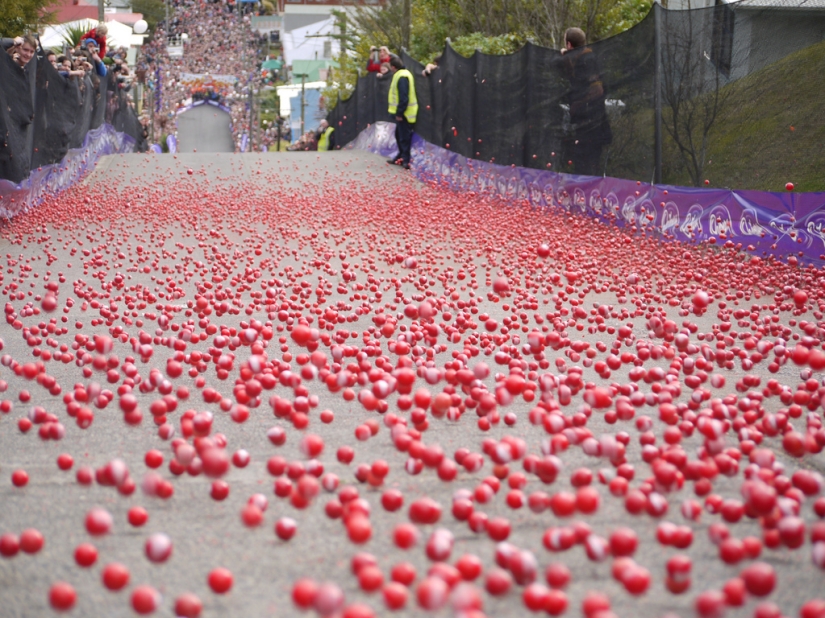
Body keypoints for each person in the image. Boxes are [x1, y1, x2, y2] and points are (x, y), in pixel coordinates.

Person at [557, 27, 612, 176]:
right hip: (586, 121)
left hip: (593, 122)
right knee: (582, 162)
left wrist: (578, 104)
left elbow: (597, 90)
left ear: (569, 44)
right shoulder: (581, 58)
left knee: (589, 164)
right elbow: (577, 79)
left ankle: (590, 196)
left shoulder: (588, 60)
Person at [387, 56, 417, 169]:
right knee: (399, 135)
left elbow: (404, 97)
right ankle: (401, 157)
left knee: (404, 137)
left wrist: (400, 113)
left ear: (394, 67)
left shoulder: (402, 76)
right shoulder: (402, 75)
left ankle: (405, 160)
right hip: (405, 112)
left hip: (406, 114)